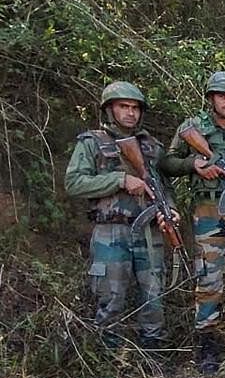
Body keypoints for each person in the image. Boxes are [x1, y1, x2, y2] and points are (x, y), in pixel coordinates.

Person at [159, 71, 225, 373]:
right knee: (208, 278)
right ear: (211, 99)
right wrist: (193, 164)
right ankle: (208, 342)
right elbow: (166, 163)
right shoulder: (192, 129)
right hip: (208, 211)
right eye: (223, 96)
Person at [65, 81, 179, 349]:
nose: (130, 113)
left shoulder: (151, 146)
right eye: (123, 107)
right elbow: (74, 183)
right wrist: (119, 180)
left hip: (149, 230)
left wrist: (170, 209)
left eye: (135, 108)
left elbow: (164, 186)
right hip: (111, 231)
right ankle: (110, 356)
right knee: (111, 295)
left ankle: (154, 352)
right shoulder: (92, 142)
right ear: (110, 110)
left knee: (154, 295)